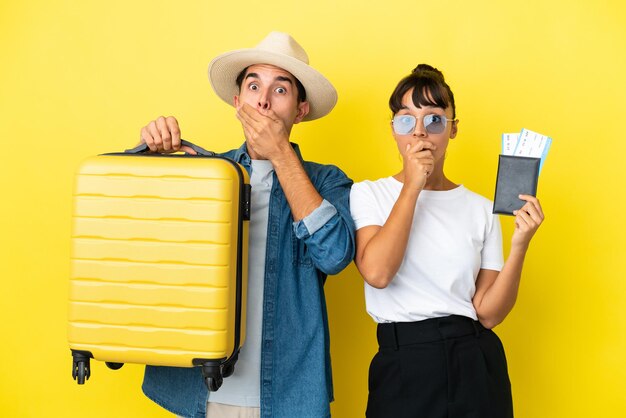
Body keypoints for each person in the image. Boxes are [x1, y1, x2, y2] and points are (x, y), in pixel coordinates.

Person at [138, 32, 355, 418]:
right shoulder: (203, 173)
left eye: (280, 90)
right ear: (238, 103)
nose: (264, 101)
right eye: (253, 86)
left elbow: (335, 254)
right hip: (197, 392)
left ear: (300, 110)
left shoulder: (327, 182)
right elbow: (144, 244)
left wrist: (279, 152)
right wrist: (151, 156)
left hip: (288, 396)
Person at [349, 64, 545, 418]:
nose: (421, 133)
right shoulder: (369, 194)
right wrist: (413, 184)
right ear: (393, 129)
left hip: (474, 361)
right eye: (407, 120)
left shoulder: (482, 209)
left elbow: (488, 313)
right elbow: (377, 273)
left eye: (435, 120)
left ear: (453, 129)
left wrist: (520, 245)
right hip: (403, 363)